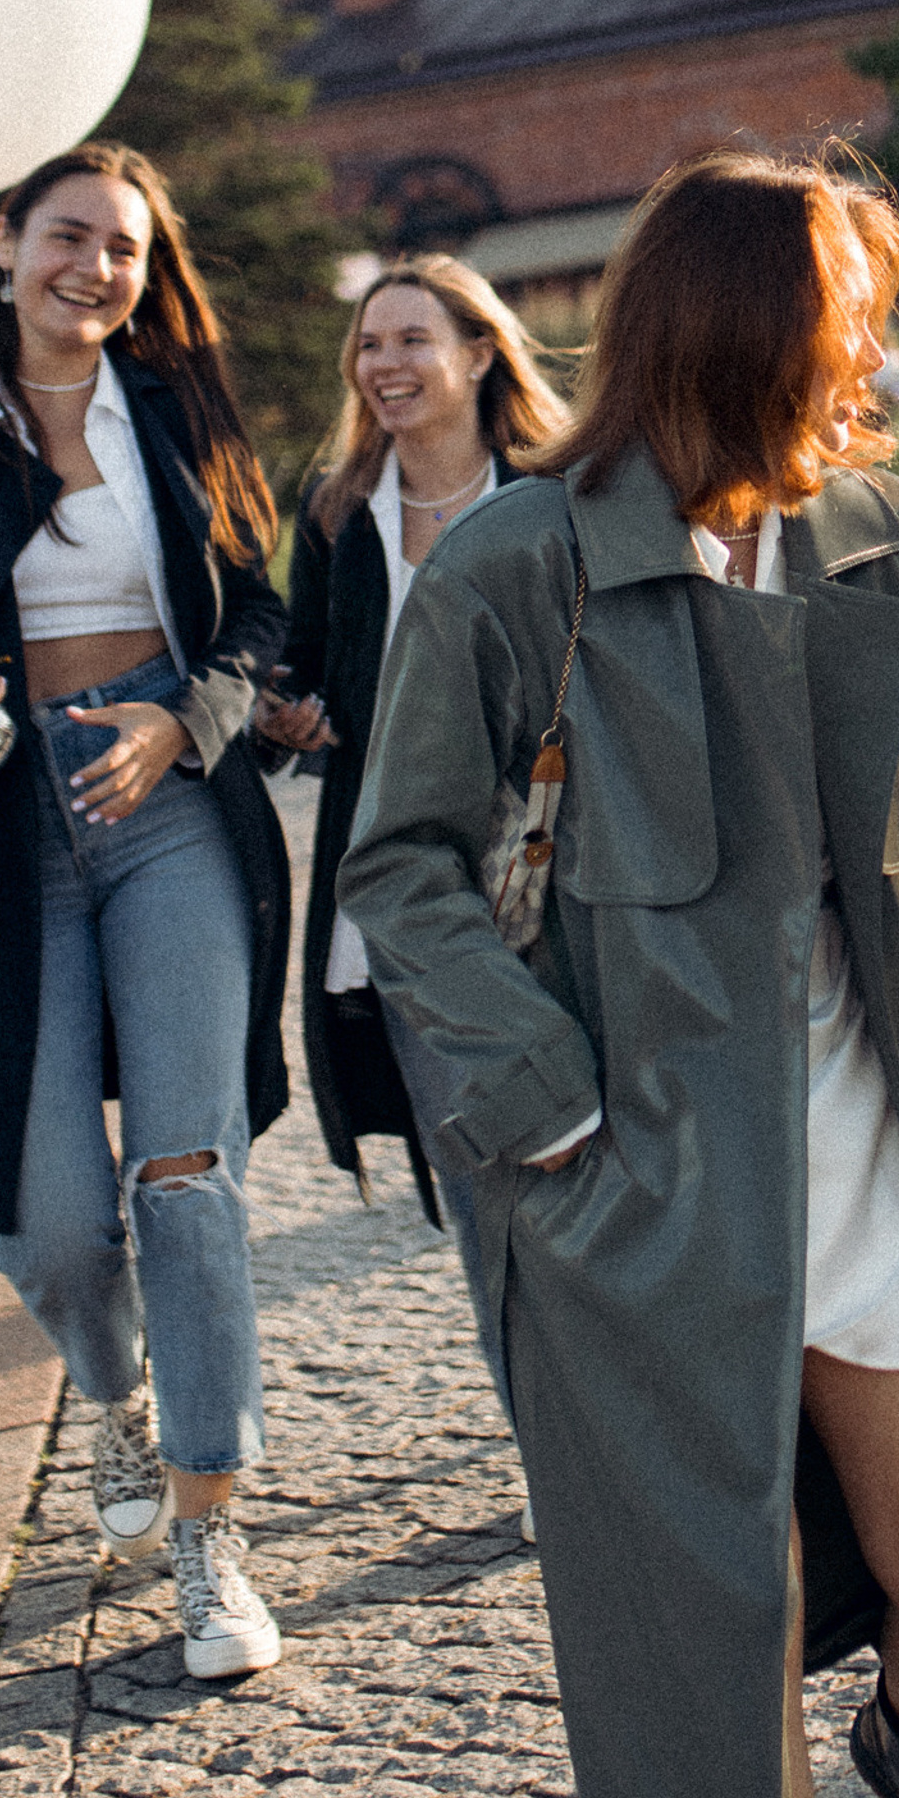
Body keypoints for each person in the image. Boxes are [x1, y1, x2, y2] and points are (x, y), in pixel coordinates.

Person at [338, 149, 899, 1798]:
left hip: (869, 1152)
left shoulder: (882, 532)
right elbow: (400, 868)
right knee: (704, 1663)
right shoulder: (517, 563)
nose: (870, 346)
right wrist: (546, 1106)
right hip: (643, 1171)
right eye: (848, 311)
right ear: (751, 324)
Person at [0, 143, 292, 1679]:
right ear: (4, 243)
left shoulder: (179, 413)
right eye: (69, 237)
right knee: (57, 1224)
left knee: (186, 1180)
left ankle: (210, 1531)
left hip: (166, 805)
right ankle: (118, 1407)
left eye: (124, 248)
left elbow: (259, 616)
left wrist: (180, 723)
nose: (97, 269)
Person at [252, 256, 569, 1425]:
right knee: (479, 1177)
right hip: (405, 890)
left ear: (481, 350)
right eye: (368, 346)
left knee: (588, 1159)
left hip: (556, 868)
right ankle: (548, 1435)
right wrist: (294, 715)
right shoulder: (338, 514)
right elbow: (317, 675)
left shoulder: (550, 491)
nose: (382, 365)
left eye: (408, 339)